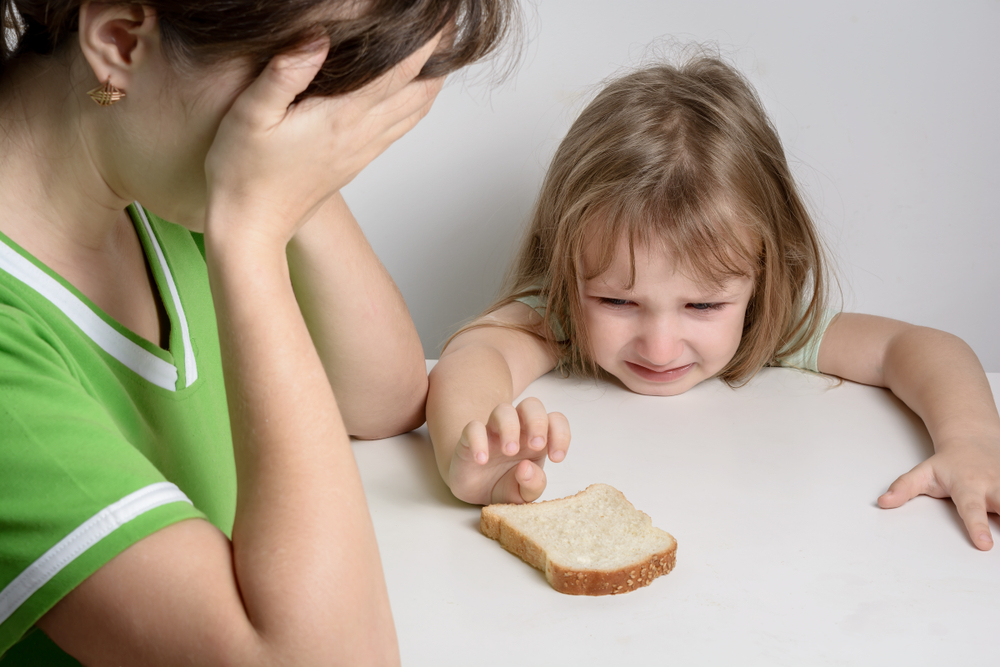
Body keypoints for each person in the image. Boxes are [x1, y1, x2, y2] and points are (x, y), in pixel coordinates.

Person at [0, 0, 515, 664]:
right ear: (122, 41)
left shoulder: (154, 165)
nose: (310, 132)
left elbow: (384, 395)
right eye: (302, 89)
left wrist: (291, 192)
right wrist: (252, 231)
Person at [426, 55, 1000, 552]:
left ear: (763, 277)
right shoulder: (561, 314)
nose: (659, 345)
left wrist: (971, 443)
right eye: (617, 301)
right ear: (566, 265)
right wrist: (470, 449)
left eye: (702, 307)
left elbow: (919, 347)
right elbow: (478, 354)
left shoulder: (769, 327)